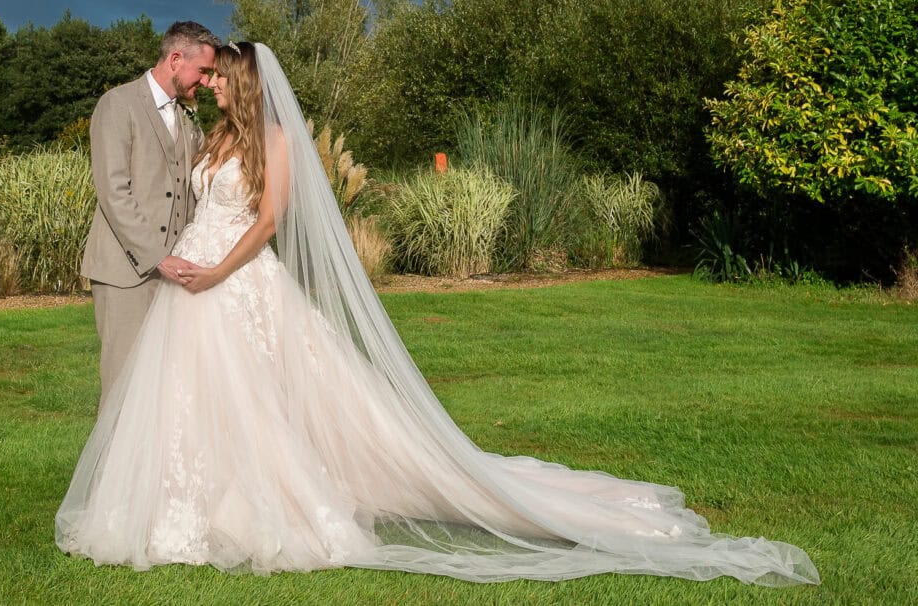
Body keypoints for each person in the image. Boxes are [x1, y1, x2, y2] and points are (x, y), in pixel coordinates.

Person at [57, 42, 819, 586]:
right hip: (188, 286)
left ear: (246, 83)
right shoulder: (211, 131)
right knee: (190, 403)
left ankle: (267, 504)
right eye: (207, 75)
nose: (211, 85)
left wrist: (216, 270)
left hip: (229, 281)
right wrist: (181, 262)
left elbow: (267, 223)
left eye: (222, 78)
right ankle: (177, 506)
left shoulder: (274, 140)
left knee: (257, 400)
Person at [79, 20, 218, 404]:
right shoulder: (117, 104)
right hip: (126, 274)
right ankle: (114, 466)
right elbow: (114, 192)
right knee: (124, 388)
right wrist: (159, 258)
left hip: (176, 276)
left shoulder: (189, 118)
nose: (206, 82)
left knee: (166, 395)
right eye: (202, 71)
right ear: (176, 59)